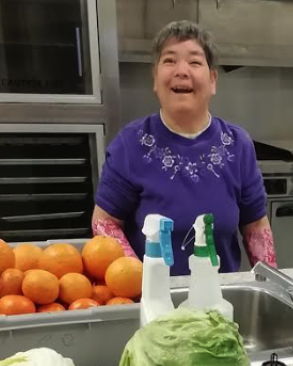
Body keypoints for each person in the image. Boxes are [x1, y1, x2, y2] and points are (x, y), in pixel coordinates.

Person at [92, 21, 277, 275]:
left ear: (213, 80)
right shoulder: (130, 144)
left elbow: (255, 225)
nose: (181, 71)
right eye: (169, 60)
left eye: (194, 62)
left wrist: (270, 284)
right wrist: (137, 278)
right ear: (155, 78)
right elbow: (105, 222)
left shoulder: (238, 145)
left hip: (220, 294)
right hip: (150, 294)